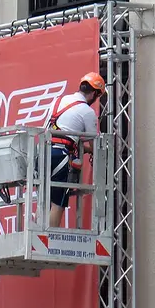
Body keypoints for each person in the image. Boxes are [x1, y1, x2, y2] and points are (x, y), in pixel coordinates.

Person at [45, 72, 105, 228]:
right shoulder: (87, 111)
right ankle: (51, 240)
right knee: (58, 202)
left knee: (45, 200)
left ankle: (42, 236)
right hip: (60, 156)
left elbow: (60, 131)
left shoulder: (58, 101)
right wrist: (90, 150)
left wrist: (82, 148)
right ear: (93, 93)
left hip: (44, 152)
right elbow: (94, 144)